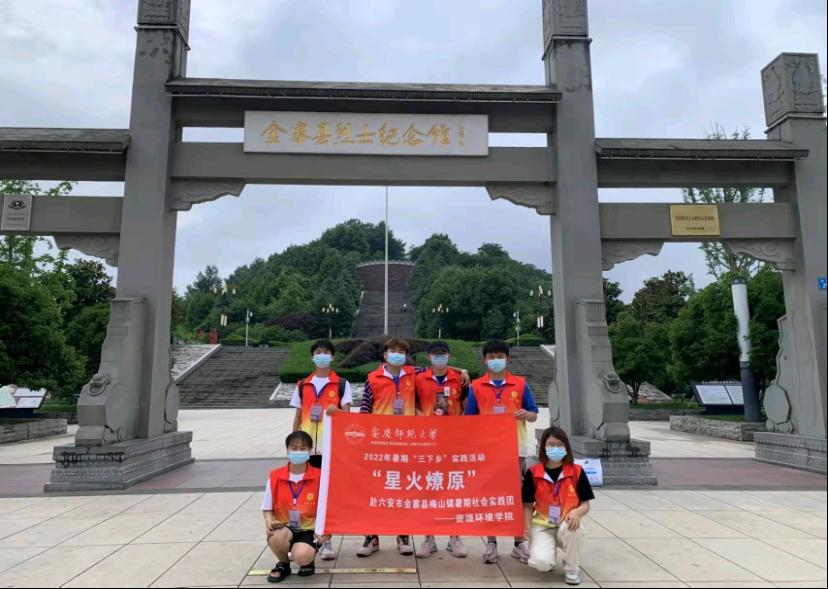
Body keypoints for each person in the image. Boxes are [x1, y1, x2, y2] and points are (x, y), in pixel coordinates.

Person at [465, 338, 539, 564]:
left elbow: (534, 414)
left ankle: (518, 542)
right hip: (488, 451)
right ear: (485, 360)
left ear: (508, 359)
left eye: (500, 356)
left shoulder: (520, 384)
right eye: (491, 357)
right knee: (489, 496)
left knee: (517, 495)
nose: (496, 360)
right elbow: (469, 420)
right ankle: (491, 542)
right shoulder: (476, 386)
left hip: (516, 448)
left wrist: (526, 414)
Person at [289, 339, 351, 561]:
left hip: (330, 448)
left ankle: (326, 540)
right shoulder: (302, 385)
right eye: (318, 352)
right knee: (308, 495)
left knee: (327, 496)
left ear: (332, 357)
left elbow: (347, 416)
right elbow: (298, 415)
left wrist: (338, 411)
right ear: (312, 357)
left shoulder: (341, 384)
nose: (322, 355)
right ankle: (305, 539)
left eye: (326, 352)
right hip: (307, 450)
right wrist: (293, 444)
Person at [414, 340, 469, 559]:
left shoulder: (460, 379)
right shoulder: (419, 379)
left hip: (453, 441)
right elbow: (413, 405)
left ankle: (455, 536)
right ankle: (429, 537)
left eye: (443, 354)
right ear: (428, 357)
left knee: (454, 487)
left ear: (449, 356)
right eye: (435, 354)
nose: (439, 357)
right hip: (427, 441)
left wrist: (458, 424)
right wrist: (425, 420)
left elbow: (466, 406)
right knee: (428, 487)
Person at [522, 426, 593, 585]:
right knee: (542, 563)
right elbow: (527, 505)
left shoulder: (577, 471)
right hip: (542, 525)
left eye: (560, 445)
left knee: (575, 528)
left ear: (566, 447)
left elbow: (586, 504)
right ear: (543, 447)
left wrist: (577, 513)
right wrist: (527, 530)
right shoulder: (533, 473)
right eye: (551, 445)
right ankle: (547, 552)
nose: (556, 449)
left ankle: (572, 569)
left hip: (566, 524)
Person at [261, 431, 321, 583]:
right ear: (287, 450)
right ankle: (283, 564)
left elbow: (328, 508)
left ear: (310, 450)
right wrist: (269, 522)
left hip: (309, 529)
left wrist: (325, 531)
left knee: (302, 556)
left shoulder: (320, 476)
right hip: (284, 526)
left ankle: (307, 559)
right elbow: (267, 507)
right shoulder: (275, 476)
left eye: (303, 448)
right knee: (276, 537)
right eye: (294, 448)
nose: (298, 452)